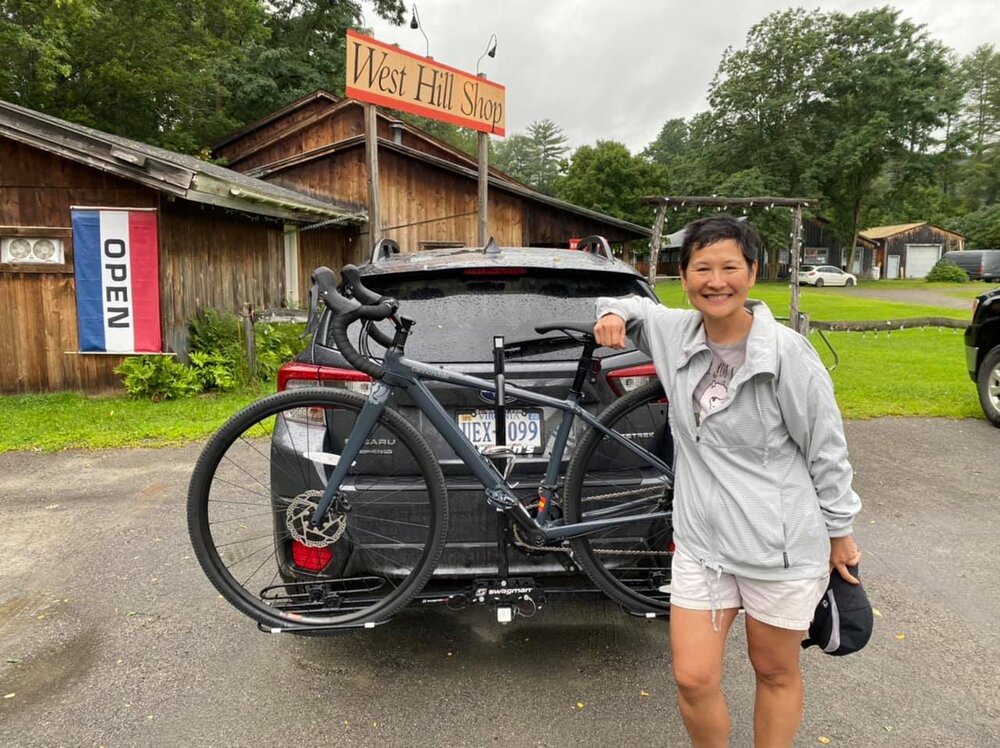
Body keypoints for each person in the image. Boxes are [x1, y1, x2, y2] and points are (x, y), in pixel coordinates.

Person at [593, 214, 862, 748]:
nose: (716, 281)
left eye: (729, 267)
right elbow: (635, 305)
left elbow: (827, 450)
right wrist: (608, 311)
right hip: (702, 545)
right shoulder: (676, 334)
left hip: (778, 548)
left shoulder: (787, 354)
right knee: (692, 678)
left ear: (753, 272)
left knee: (774, 671)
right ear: (685, 275)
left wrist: (840, 532)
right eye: (702, 268)